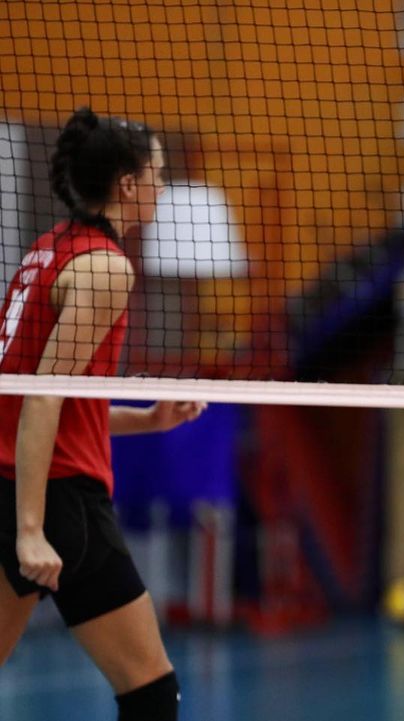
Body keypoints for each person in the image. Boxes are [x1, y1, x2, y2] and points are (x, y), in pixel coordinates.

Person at [0, 108, 206, 721]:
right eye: (157, 175)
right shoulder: (105, 268)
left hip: (19, 483)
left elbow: (46, 400)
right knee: (151, 693)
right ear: (127, 185)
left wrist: (147, 419)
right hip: (57, 498)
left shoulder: (46, 250)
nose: (162, 187)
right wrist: (31, 528)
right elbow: (42, 397)